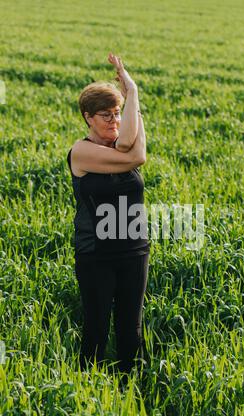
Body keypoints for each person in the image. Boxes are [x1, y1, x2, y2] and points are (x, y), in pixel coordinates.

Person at [66, 53, 151, 385]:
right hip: (96, 255)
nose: (114, 121)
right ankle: (88, 394)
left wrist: (132, 95)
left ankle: (132, 391)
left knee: (131, 328)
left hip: (134, 250)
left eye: (118, 113)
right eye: (106, 115)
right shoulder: (81, 153)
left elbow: (135, 150)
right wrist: (131, 94)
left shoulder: (123, 144)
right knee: (97, 327)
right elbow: (135, 152)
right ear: (88, 117)